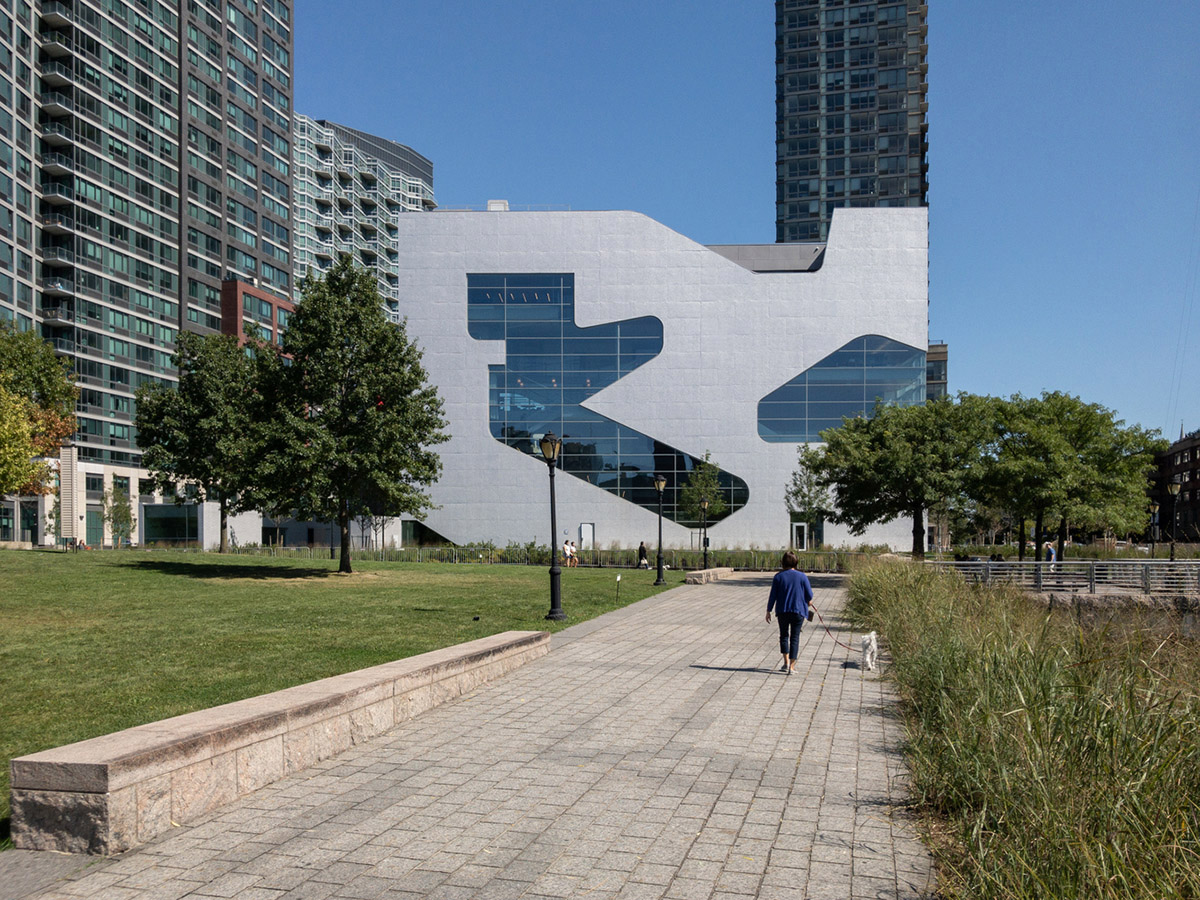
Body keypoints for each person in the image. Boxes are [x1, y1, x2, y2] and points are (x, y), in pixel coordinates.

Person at [765, 550, 813, 676]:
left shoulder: (778, 577)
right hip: (798, 611)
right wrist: (809, 601)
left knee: (784, 636)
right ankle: (792, 667)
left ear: (783, 562)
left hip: (782, 611)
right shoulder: (802, 576)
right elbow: (809, 595)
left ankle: (785, 663)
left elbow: (773, 595)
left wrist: (768, 610)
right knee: (795, 637)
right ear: (796, 562)